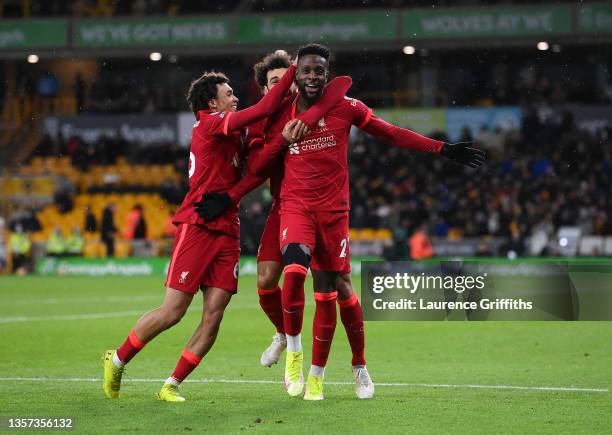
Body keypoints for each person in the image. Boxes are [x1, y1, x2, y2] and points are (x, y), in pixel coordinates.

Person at [248, 43, 485, 401]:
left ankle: (358, 366)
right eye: (306, 70)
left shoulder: (347, 107)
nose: (312, 76)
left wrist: (440, 148)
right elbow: (258, 162)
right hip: (296, 208)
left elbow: (390, 132)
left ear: (326, 74)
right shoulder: (282, 114)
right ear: (296, 74)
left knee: (335, 291)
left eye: (319, 71)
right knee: (293, 272)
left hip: (333, 213)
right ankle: (293, 352)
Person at [102, 58, 344, 403]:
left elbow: (257, 165)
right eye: (229, 94)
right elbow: (264, 106)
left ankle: (171, 384)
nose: (235, 98)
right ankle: (118, 359)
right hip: (198, 224)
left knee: (214, 314)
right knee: (173, 311)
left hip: (228, 227)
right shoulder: (210, 124)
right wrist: (295, 65)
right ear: (212, 103)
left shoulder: (234, 134)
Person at [195, 51, 353, 369]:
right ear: (266, 90)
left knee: (336, 286)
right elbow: (256, 169)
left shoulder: (313, 110)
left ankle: (357, 364)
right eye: (274, 82)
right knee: (267, 280)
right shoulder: (260, 124)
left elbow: (340, 92)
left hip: (323, 208)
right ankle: (283, 334)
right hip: (284, 207)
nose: (283, 85)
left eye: (287, 79)